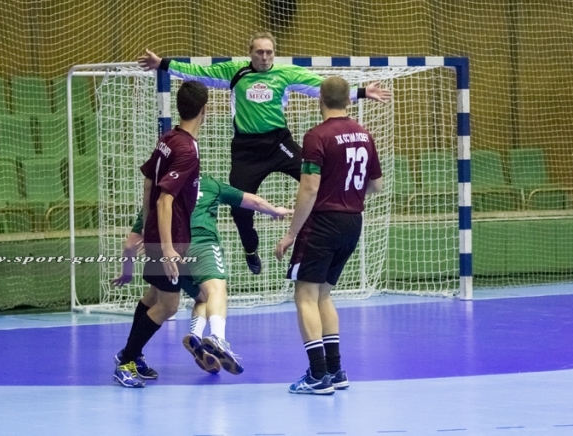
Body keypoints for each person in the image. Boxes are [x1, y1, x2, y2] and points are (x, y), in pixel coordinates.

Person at [138, 31, 391, 275]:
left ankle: (318, 234)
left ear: (274, 54)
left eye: (269, 52)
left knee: (320, 182)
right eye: (259, 52)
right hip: (246, 150)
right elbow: (198, 72)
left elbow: (322, 88)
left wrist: (361, 92)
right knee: (239, 209)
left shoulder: (285, 74)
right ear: (250, 53)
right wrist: (162, 64)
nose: (265, 57)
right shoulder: (235, 71)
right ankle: (251, 249)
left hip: (278, 143)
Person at [113, 175, 293, 376]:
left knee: (164, 297)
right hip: (201, 244)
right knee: (215, 290)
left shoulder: (161, 196)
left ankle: (190, 336)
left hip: (171, 252)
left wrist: (127, 272)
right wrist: (274, 210)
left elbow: (131, 244)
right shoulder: (209, 184)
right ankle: (217, 336)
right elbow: (252, 201)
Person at [275, 76, 383, 395]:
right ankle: (335, 371)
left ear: (320, 99)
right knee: (323, 294)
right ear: (349, 100)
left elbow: (309, 188)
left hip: (322, 223)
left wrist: (291, 234)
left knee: (305, 295)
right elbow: (376, 185)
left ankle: (318, 375)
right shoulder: (364, 134)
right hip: (353, 222)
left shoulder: (317, 136)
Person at [112, 80, 208, 388]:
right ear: (204, 110)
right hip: (171, 236)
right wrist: (167, 248)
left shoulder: (168, 138)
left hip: (158, 229)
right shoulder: (187, 149)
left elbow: (148, 181)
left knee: (153, 296)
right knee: (169, 305)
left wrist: (145, 224)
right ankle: (126, 361)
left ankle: (131, 355)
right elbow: (165, 198)